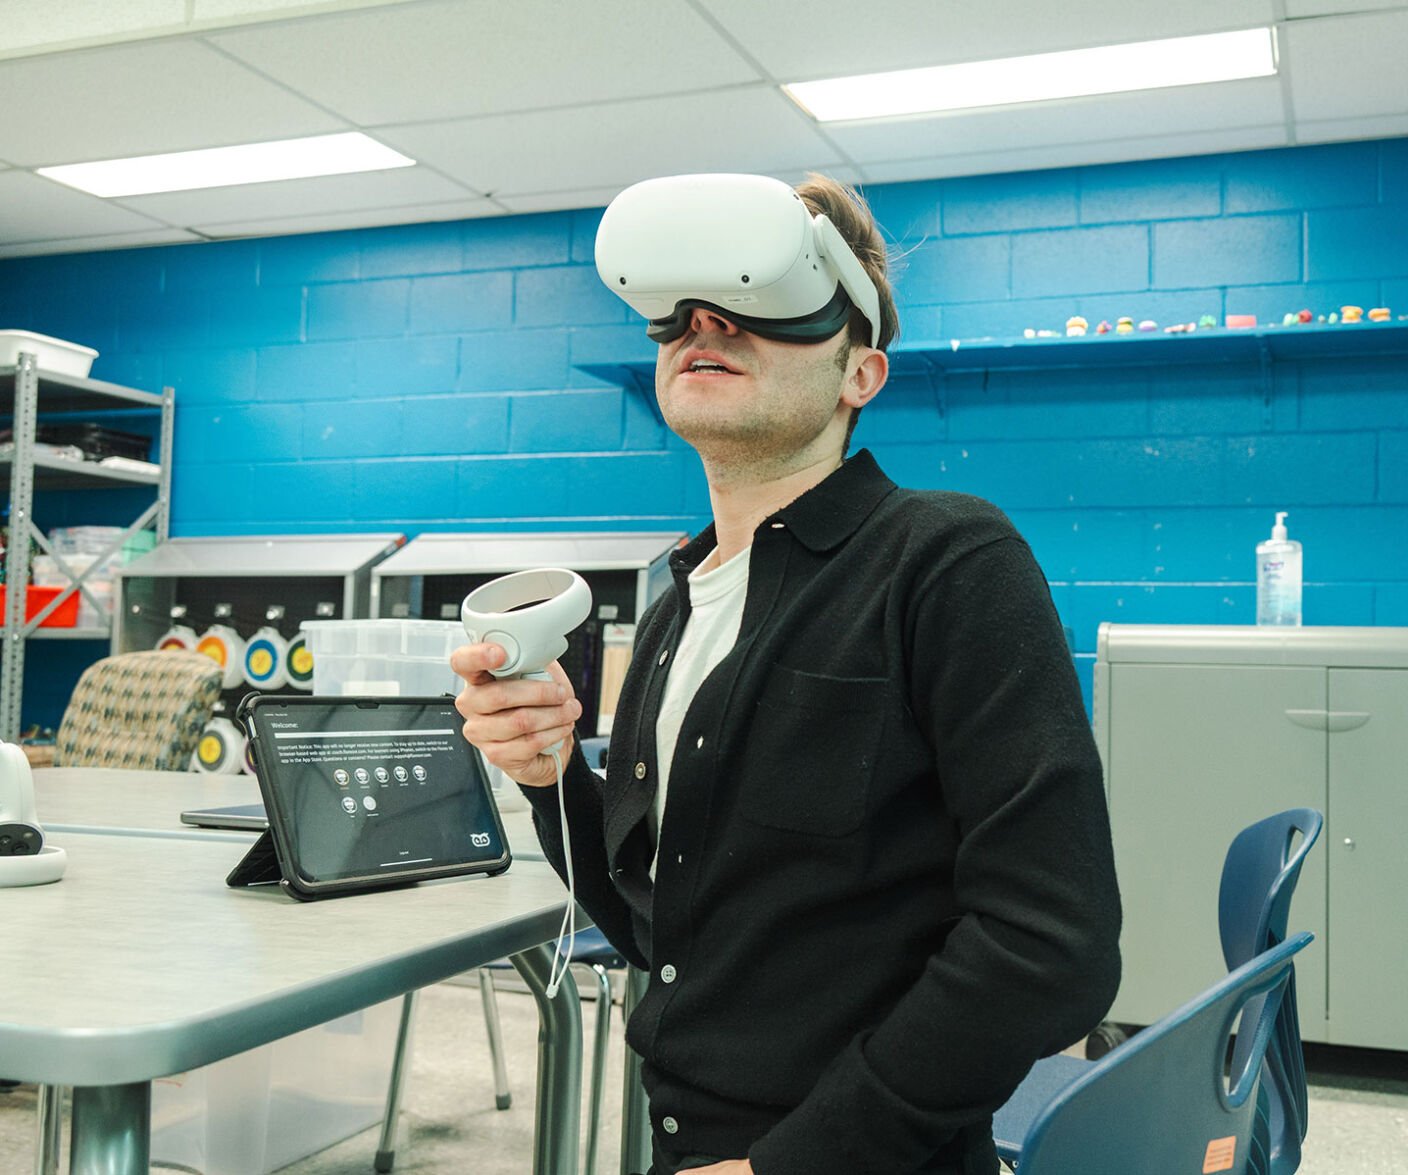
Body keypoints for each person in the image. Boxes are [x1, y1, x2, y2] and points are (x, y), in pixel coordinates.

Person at [452, 172, 1121, 1175]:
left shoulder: (946, 560)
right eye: (675, 312)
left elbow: (1051, 943)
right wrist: (551, 776)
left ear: (863, 373)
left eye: (765, 304)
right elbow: (657, 931)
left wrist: (801, 1161)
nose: (704, 322)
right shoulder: (678, 604)